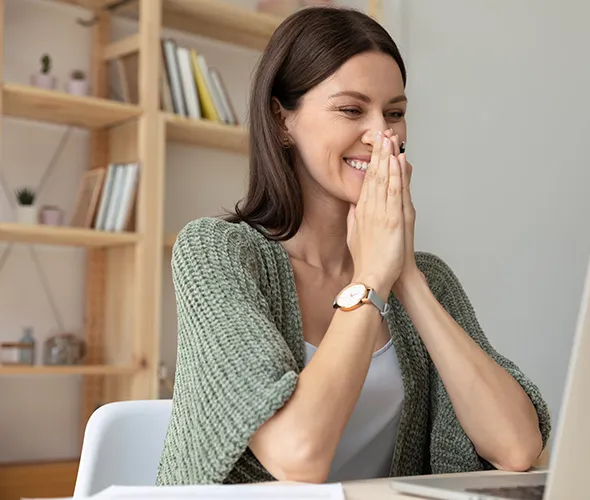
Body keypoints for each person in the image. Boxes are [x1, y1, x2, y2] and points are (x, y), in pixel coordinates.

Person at [156, 6, 550, 486]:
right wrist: (370, 280)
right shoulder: (217, 253)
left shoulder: (427, 277)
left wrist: (404, 277)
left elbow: (517, 447)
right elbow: (299, 455)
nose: (381, 134)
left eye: (396, 113)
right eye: (350, 109)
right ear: (282, 120)